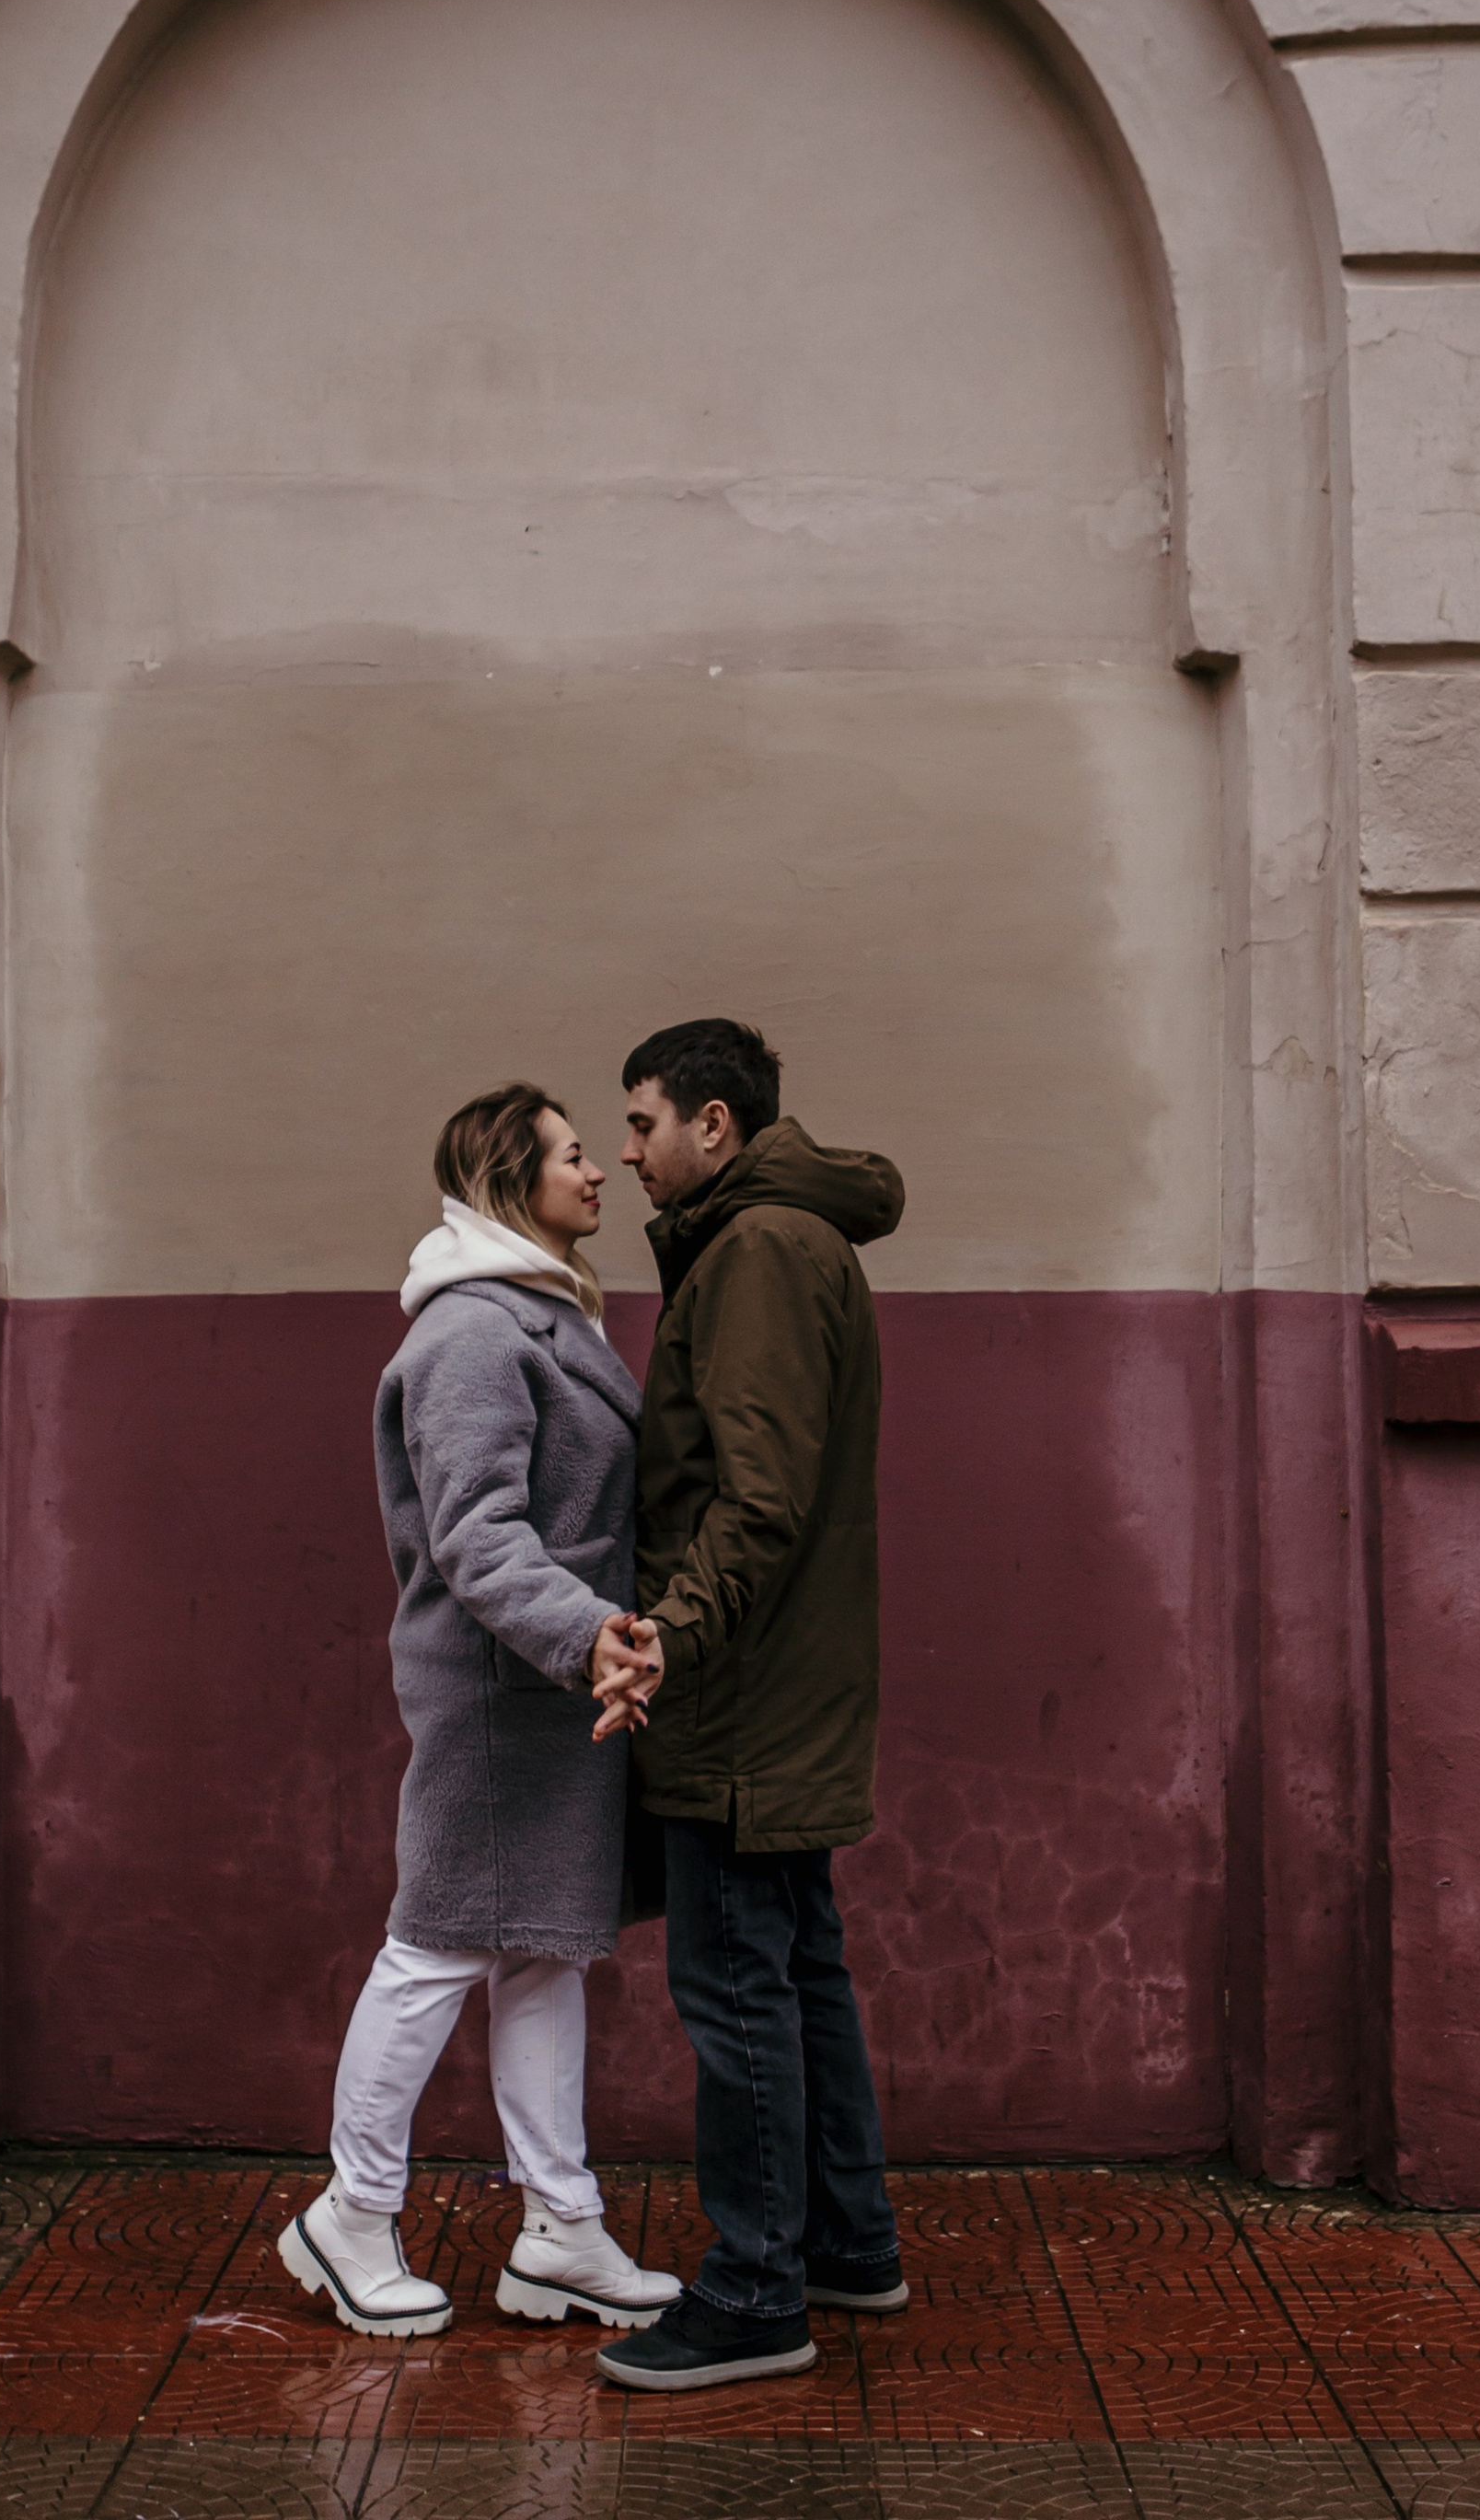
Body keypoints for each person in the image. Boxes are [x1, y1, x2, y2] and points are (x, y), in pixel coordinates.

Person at [279, 1083, 682, 2340]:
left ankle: (560, 2232)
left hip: (552, 1698)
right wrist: (592, 1637)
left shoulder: (540, 1318)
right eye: (573, 1156)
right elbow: (477, 1538)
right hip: (507, 1697)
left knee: (539, 1955)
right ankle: (351, 2214)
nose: (600, 1172)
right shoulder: (472, 1335)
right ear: (514, 1181)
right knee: (437, 1950)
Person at [586, 1017, 908, 2394]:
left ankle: (758, 2291)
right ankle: (847, 2242)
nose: (627, 1148)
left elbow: (757, 1500)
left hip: (738, 1703)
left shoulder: (762, 1251)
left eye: (645, 1121)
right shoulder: (774, 1239)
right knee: (799, 1969)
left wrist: (669, 1635)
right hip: (776, 1690)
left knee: (737, 1993)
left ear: (715, 1126)